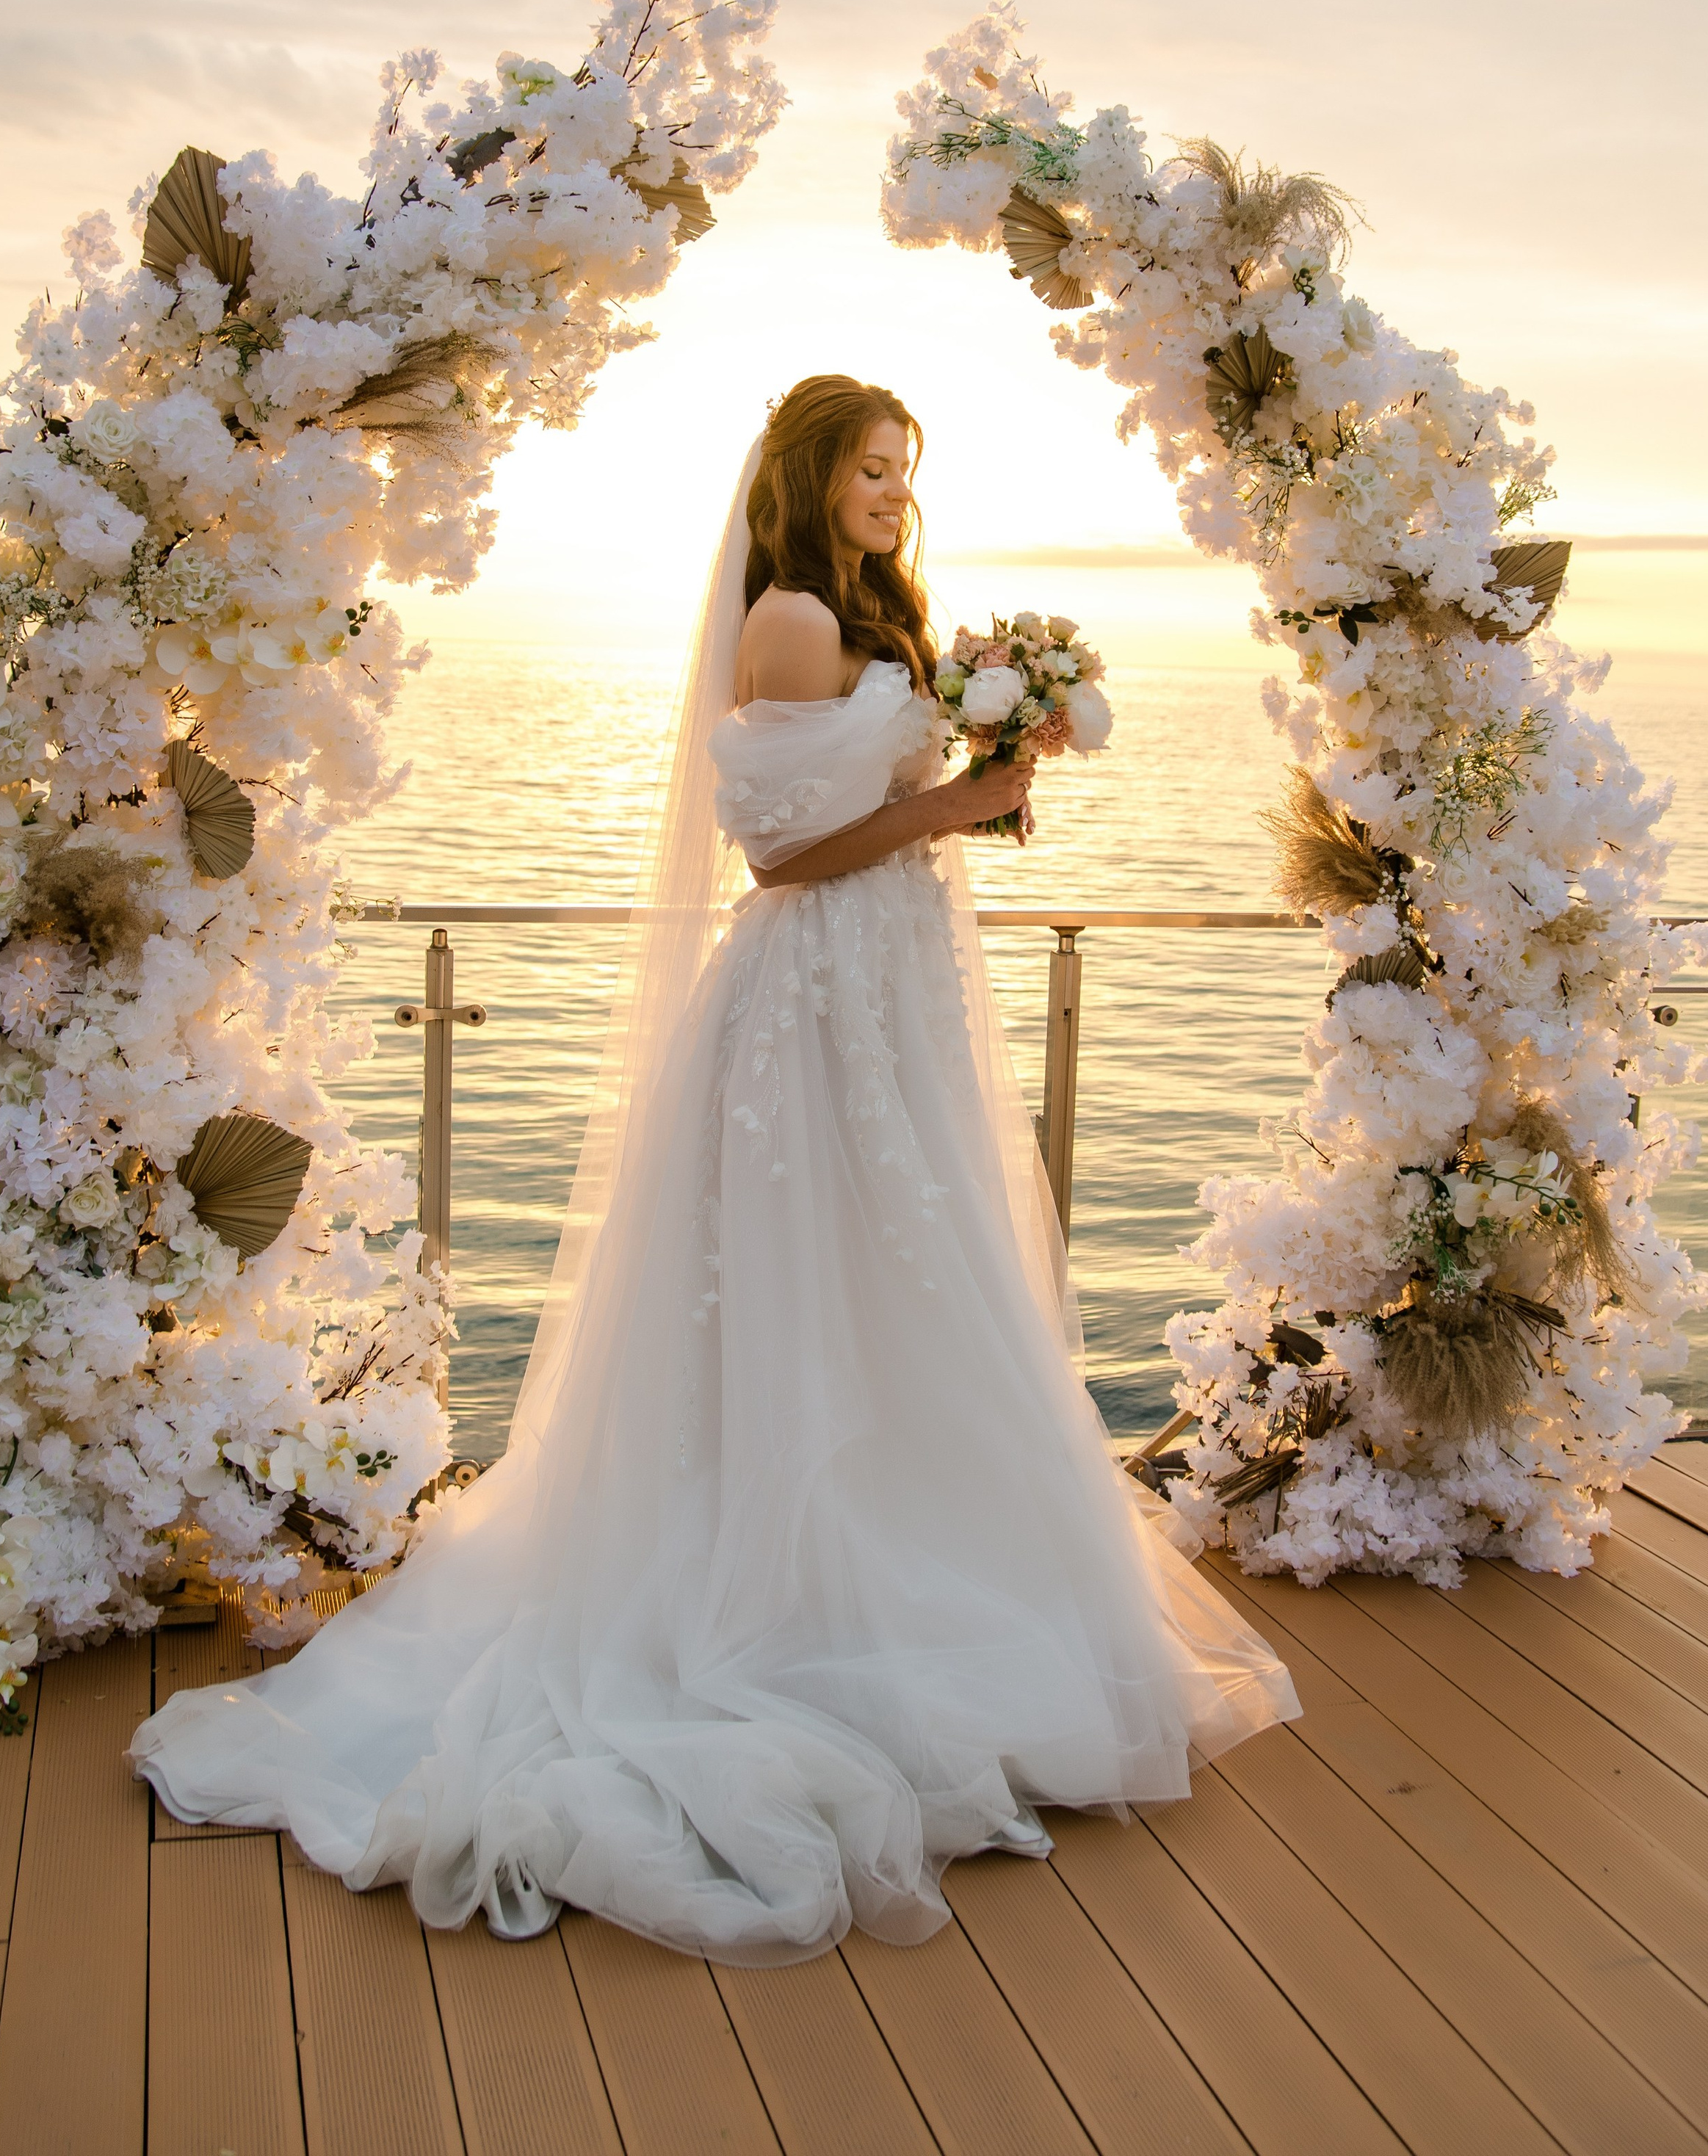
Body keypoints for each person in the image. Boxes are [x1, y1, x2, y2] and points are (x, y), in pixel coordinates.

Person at [131, 373, 1298, 1962]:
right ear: (812, 473)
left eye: (906, 466)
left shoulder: (871, 608)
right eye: (872, 466)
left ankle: (915, 1563)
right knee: (824, 1268)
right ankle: (791, 1600)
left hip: (888, 979)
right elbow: (778, 854)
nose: (893, 489)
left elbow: (861, 806)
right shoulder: (794, 620)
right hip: (811, 997)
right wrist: (960, 793)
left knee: (909, 1270)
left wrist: (966, 790)